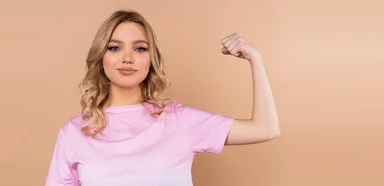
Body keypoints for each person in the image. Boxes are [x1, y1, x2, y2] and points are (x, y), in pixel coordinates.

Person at [45, 10, 280, 186]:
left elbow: (266, 128)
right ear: (101, 57)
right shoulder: (74, 132)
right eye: (114, 48)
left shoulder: (180, 121)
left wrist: (255, 60)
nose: (127, 58)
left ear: (151, 59)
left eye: (139, 48)